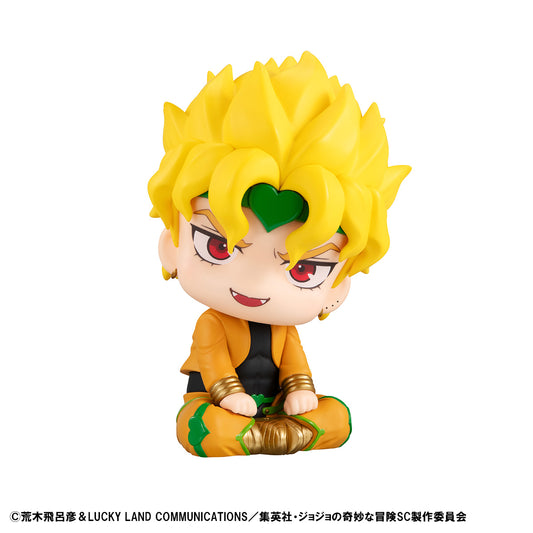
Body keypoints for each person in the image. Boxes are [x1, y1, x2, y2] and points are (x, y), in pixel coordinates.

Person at [148, 52, 410, 457]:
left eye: (304, 269)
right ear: (172, 247)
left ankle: (272, 434)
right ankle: (271, 435)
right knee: (205, 427)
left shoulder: (284, 331)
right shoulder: (212, 324)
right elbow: (214, 363)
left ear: (336, 290)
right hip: (217, 402)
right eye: (218, 246)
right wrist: (229, 396)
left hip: (274, 405)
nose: (256, 283)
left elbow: (295, 366)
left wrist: (300, 391)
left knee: (337, 416)